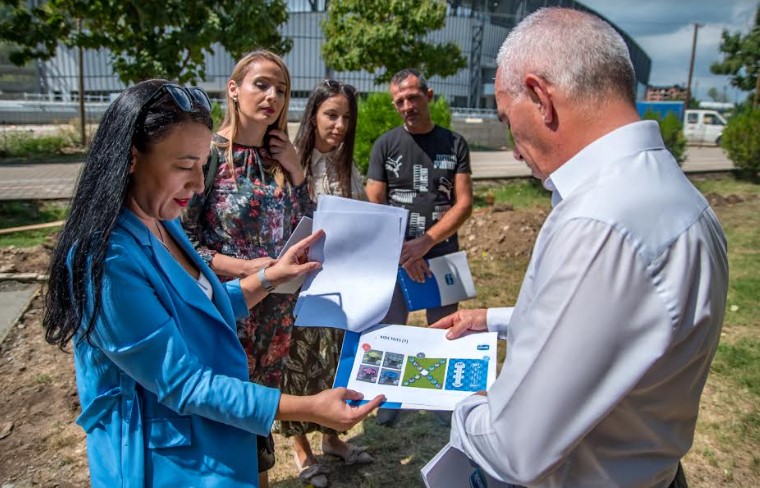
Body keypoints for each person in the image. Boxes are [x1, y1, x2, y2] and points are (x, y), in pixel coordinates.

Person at [430, 8, 728, 488]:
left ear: (541, 98)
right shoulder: (675, 195)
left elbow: (516, 449)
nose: (514, 148)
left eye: (509, 121)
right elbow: (616, 321)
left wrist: (463, 401)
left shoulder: (598, 222)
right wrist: (494, 319)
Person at [41, 79, 384, 487]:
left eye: (202, 167)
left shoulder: (161, 222)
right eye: (184, 167)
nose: (199, 185)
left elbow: (206, 306)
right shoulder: (106, 260)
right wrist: (310, 407)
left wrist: (272, 276)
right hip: (164, 464)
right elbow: (185, 384)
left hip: (209, 445)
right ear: (131, 158)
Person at [181, 50, 308, 486]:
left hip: (276, 316)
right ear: (233, 89)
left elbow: (308, 225)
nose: (273, 96)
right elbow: (182, 244)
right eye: (262, 84)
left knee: (259, 425)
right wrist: (246, 267)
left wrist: (296, 170)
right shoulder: (208, 154)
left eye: (282, 89)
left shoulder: (280, 158)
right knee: (224, 421)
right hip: (227, 312)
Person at [366, 68, 473, 427]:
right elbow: (376, 202)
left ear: (429, 95)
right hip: (395, 256)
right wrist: (404, 252)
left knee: (445, 328)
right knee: (391, 327)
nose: (407, 106)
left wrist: (426, 242)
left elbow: (464, 204)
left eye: (412, 97)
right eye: (399, 101)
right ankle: (390, 396)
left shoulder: (455, 143)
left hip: (442, 254)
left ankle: (441, 399)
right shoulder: (385, 144)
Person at [278, 79, 370, 487]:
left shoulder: (346, 165)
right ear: (313, 114)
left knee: (334, 361)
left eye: (347, 117)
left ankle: (333, 439)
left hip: (340, 285)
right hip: (298, 286)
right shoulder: (291, 162)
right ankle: (302, 450)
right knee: (297, 365)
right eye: (332, 114)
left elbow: (364, 217)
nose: (340, 125)